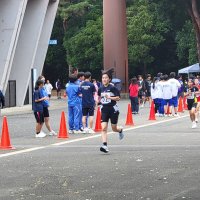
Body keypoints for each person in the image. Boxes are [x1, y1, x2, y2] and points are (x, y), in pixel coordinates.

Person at [98, 72, 124, 153]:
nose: (104, 79)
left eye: (106, 78)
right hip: (104, 110)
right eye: (103, 78)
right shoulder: (100, 89)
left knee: (114, 128)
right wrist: (98, 104)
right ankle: (104, 145)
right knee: (103, 128)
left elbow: (118, 98)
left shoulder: (113, 88)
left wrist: (110, 97)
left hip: (113, 110)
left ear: (109, 79)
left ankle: (120, 130)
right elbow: (99, 98)